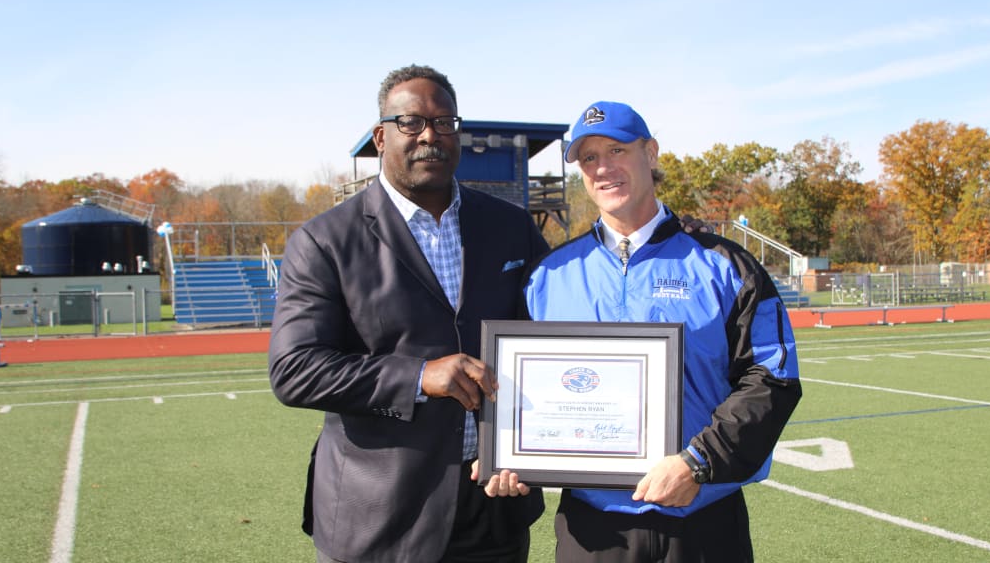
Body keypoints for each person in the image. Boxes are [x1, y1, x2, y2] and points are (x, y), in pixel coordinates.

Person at [268, 64, 547, 563]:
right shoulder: (324, 240)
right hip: (377, 516)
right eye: (411, 123)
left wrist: (525, 448)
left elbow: (549, 341)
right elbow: (295, 371)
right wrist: (420, 376)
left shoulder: (511, 227)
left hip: (492, 505)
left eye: (444, 123)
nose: (430, 136)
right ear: (380, 136)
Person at [521, 101, 803, 562]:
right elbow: (519, 388)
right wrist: (509, 454)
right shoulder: (548, 276)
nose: (603, 168)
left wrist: (698, 462)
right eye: (588, 158)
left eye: (616, 150)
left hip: (704, 519)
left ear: (650, 153)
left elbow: (773, 377)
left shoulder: (726, 265)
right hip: (594, 528)